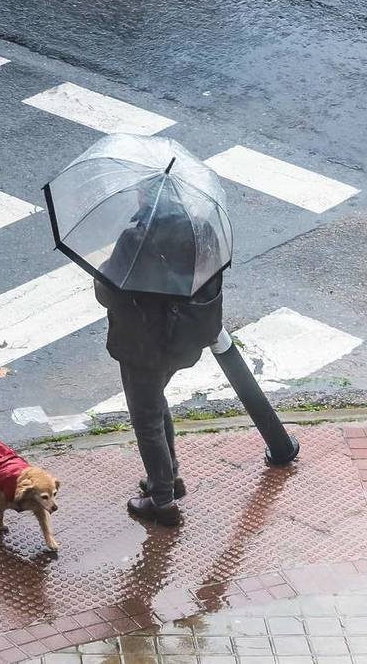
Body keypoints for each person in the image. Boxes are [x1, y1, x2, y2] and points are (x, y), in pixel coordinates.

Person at [94, 191, 223, 526]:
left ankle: (162, 501)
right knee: (155, 402)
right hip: (182, 340)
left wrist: (101, 271)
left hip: (143, 344)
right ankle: (169, 478)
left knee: (146, 419)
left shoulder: (137, 239)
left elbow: (108, 291)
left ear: (146, 198)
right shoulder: (201, 231)